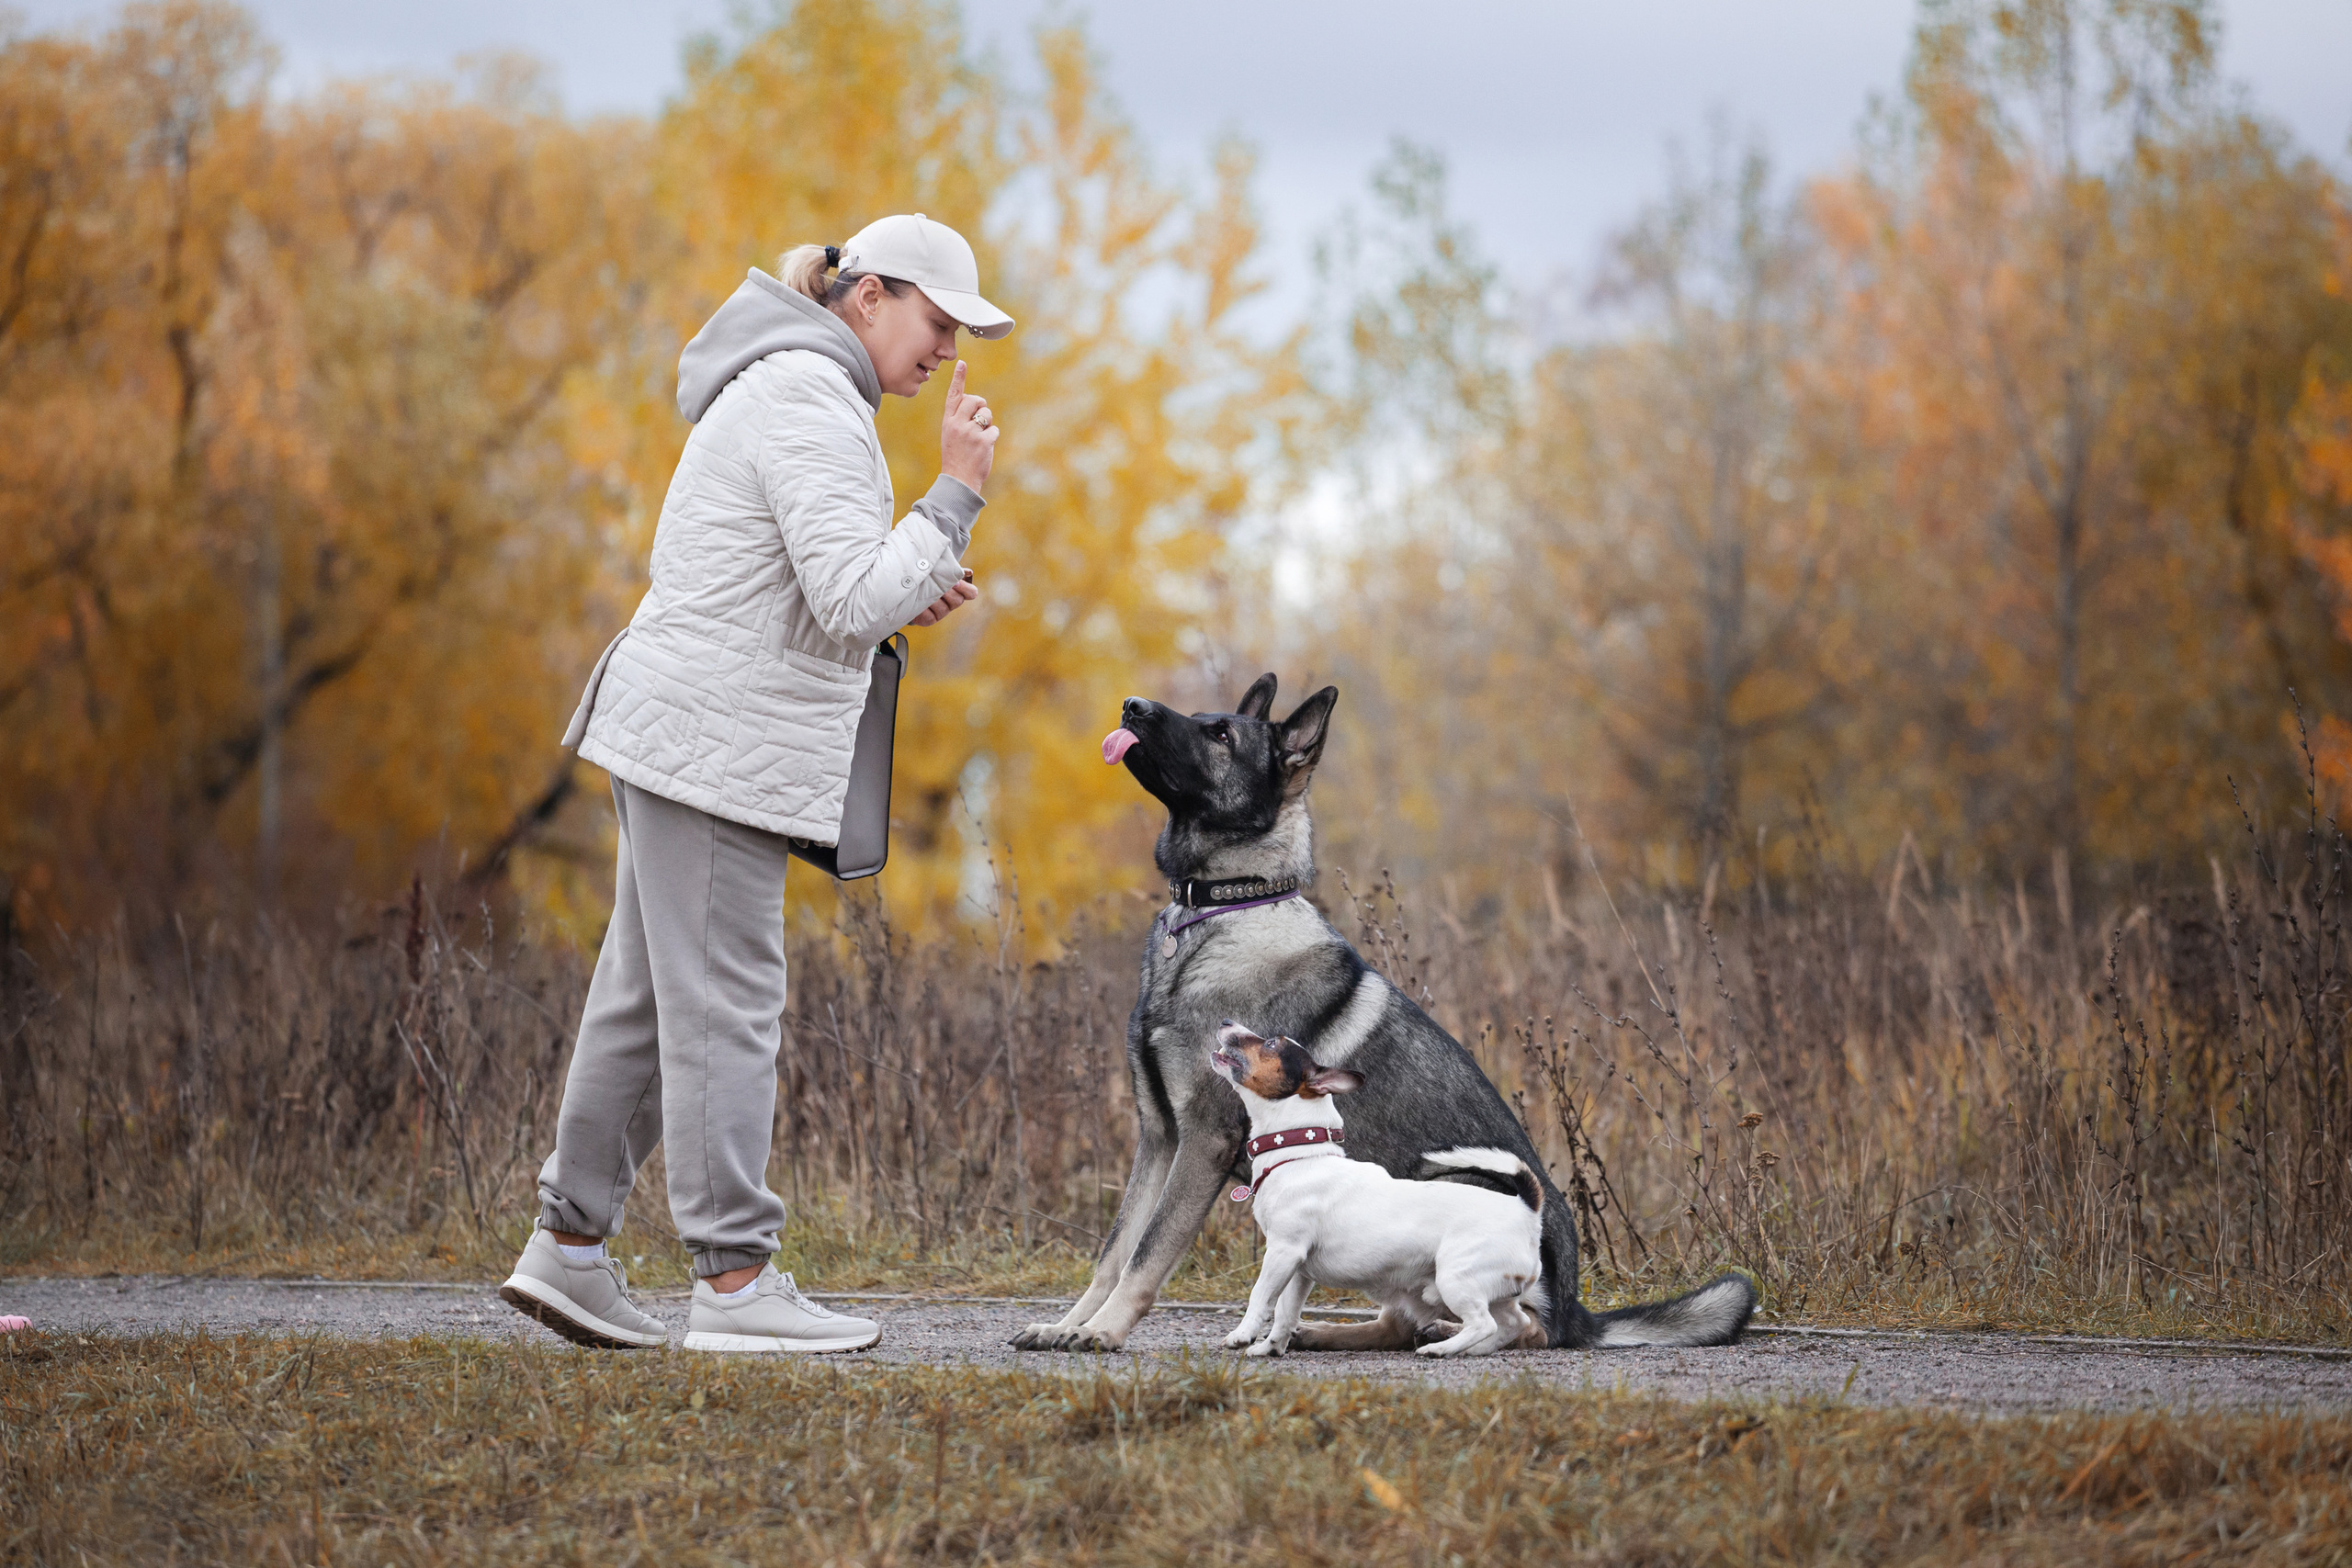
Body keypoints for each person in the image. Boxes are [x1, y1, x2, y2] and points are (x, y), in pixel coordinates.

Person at [497, 214, 1011, 1353]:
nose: (943, 351)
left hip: (687, 735)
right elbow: (842, 597)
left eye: (958, 332)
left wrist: (906, 575)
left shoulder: (798, 383)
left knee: (642, 1003)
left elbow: (823, 590)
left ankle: (568, 1252)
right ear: (868, 295)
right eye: (935, 322)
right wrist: (953, 496)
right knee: (730, 1001)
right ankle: (735, 1283)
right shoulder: (810, 396)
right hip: (716, 749)